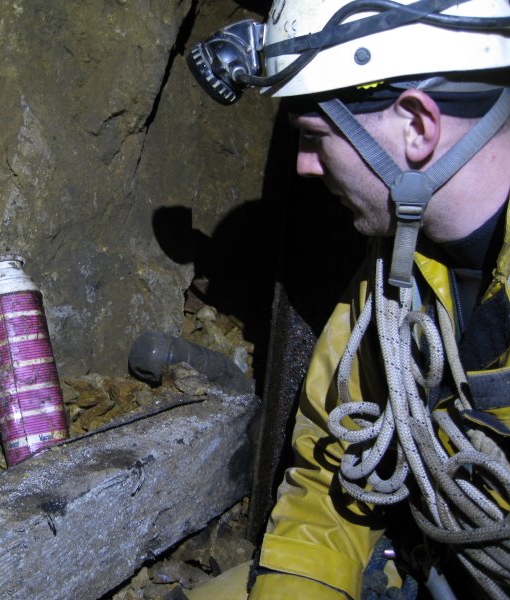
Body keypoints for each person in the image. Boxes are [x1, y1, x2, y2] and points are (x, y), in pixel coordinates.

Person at [185, 0, 510, 598]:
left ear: (416, 126)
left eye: (313, 138)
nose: (305, 167)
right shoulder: (394, 278)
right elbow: (331, 466)